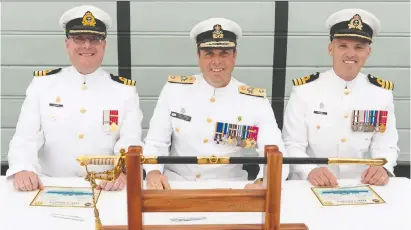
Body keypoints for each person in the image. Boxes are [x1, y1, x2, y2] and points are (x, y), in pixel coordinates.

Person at [6, 5, 143, 192]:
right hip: (51, 186)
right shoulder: (43, 85)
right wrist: (22, 168)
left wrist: (125, 171)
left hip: (106, 188)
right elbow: (25, 137)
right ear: (67, 44)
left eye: (94, 39)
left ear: (104, 45)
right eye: (78, 38)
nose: (87, 45)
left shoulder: (124, 91)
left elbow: (131, 140)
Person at [143, 17, 289, 190]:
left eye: (224, 53)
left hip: (230, 188)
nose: (217, 61)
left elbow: (276, 154)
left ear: (234, 56)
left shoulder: (254, 101)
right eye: (209, 53)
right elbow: (156, 142)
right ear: (198, 56)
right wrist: (153, 172)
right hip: (176, 185)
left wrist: (262, 183)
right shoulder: (174, 91)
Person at [282, 9, 399, 187]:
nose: (350, 54)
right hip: (309, 184)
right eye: (342, 46)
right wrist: (310, 170)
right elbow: (291, 144)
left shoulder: (380, 94)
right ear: (331, 49)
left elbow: (386, 144)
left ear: (368, 52)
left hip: (360, 184)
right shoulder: (305, 90)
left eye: (358, 47)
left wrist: (383, 167)